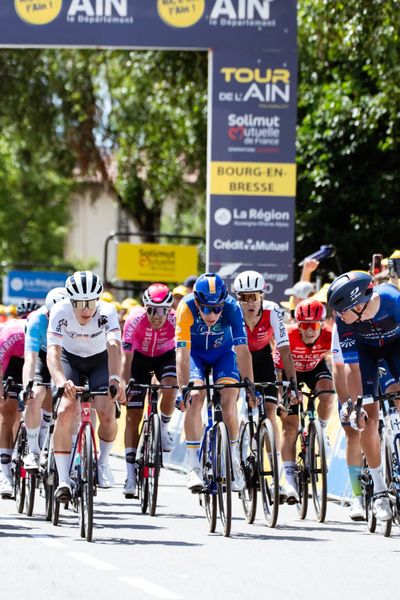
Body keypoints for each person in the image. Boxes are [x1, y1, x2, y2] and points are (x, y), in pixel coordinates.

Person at [327, 270, 400, 522]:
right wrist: (356, 403)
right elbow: (352, 365)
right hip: (365, 357)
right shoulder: (344, 321)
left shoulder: (392, 299)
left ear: (357, 305)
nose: (338, 316)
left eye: (341, 310)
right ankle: (379, 490)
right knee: (367, 418)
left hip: (396, 349)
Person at [175, 272, 256, 493]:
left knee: (229, 401)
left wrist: (250, 385)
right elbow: (182, 353)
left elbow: (242, 350)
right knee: (196, 396)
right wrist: (184, 390)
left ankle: (233, 460)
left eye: (217, 308)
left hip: (223, 354)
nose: (213, 314)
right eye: (207, 309)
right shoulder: (186, 307)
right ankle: (193, 465)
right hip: (195, 355)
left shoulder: (232, 307)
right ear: (198, 302)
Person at [46, 271, 123, 501]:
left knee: (107, 411)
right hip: (70, 360)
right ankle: (63, 479)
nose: (86, 309)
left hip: (99, 360)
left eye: (90, 302)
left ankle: (103, 463)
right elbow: (53, 353)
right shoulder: (60, 312)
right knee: (65, 410)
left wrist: (115, 379)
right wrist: (61, 381)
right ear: (71, 301)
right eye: (80, 303)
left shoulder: (107, 311)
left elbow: (114, 347)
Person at [233, 270, 298, 502]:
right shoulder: (232, 311)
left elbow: (284, 350)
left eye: (254, 296)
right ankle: (236, 456)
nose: (250, 302)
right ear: (238, 298)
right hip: (237, 358)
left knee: (270, 412)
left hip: (261, 357)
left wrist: (292, 384)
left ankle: (276, 479)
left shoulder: (272, 310)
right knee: (238, 407)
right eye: (244, 297)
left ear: (262, 295)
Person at [274, 297, 333, 503]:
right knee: (289, 427)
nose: (309, 331)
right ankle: (290, 480)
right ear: (297, 325)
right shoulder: (288, 336)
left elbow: (341, 364)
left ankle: (322, 430)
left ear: (322, 324)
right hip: (291, 373)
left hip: (315, 368)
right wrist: (283, 396)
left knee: (327, 394)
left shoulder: (329, 336)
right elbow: (278, 373)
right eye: (305, 325)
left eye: (314, 325)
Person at [121, 283, 177, 498]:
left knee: (170, 386)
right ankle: (130, 475)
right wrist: (125, 386)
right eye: (152, 310)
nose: (157, 316)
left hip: (165, 356)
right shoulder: (134, 320)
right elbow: (126, 359)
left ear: (169, 309)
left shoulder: (175, 320)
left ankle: (163, 427)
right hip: (139, 361)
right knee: (132, 416)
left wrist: (183, 388)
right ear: (145, 308)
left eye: (162, 310)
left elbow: (183, 354)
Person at [22, 287, 69, 471]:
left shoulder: (74, 318)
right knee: (35, 395)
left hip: (64, 355)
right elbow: (30, 359)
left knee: (65, 399)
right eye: (51, 315)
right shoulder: (36, 320)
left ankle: (50, 441)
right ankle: (33, 451)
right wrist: (27, 387)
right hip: (42, 354)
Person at [0, 299, 40, 498]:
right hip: (12, 363)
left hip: (36, 362)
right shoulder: (10, 333)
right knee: (8, 413)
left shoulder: (43, 333)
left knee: (40, 400)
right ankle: (5, 473)